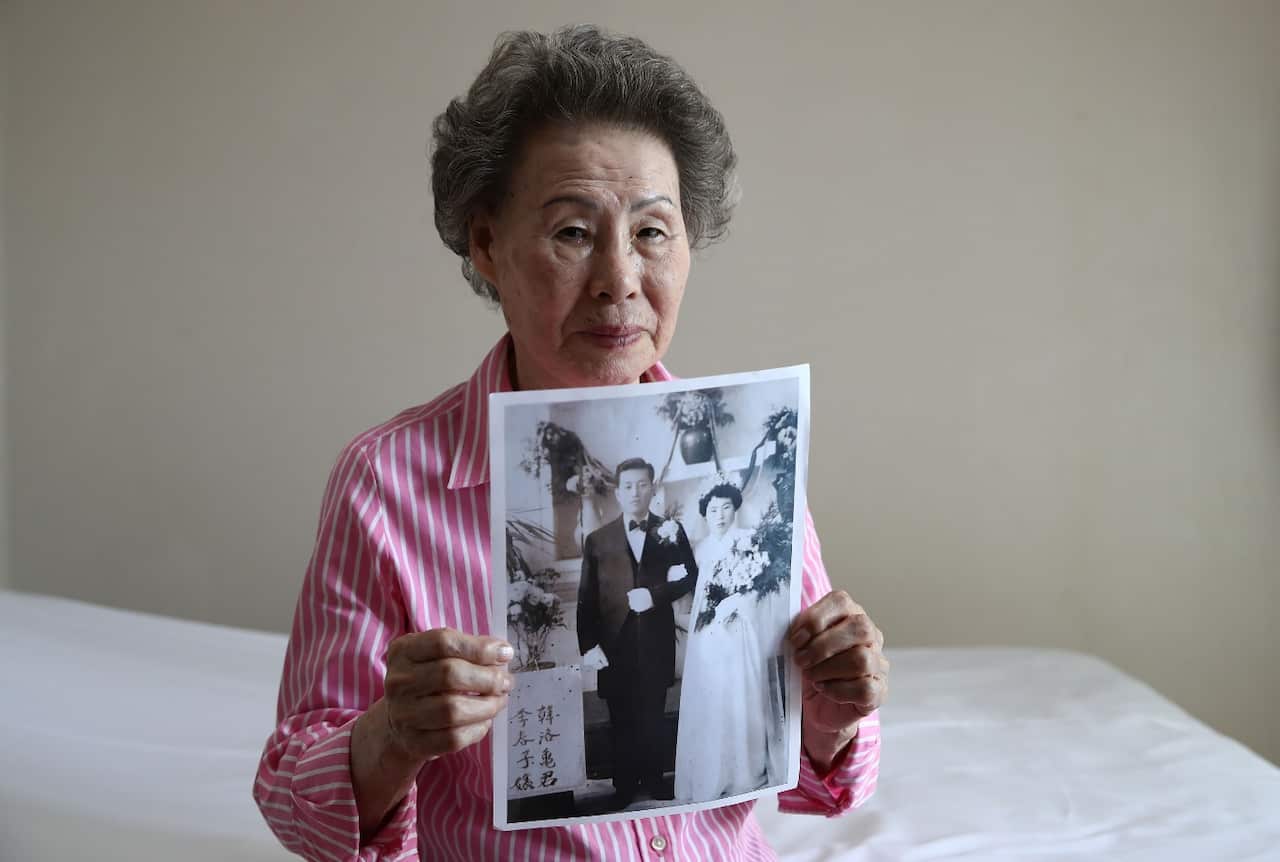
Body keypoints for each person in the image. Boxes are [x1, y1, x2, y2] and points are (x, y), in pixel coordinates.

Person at [254, 24, 889, 862]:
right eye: (574, 233)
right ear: (487, 245)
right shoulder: (386, 480)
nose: (619, 279)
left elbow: (815, 772)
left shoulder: (742, 458)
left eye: (653, 232)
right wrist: (390, 738)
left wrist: (834, 711)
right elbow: (293, 795)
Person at [576, 458, 698, 810]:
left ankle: (656, 779)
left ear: (652, 488)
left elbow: (690, 575)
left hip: (656, 640)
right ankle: (624, 783)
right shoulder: (597, 540)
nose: (635, 492)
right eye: (628, 486)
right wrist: (588, 645)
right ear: (617, 492)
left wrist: (655, 596)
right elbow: (586, 599)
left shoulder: (670, 530)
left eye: (642, 485)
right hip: (614, 644)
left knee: (653, 713)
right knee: (621, 715)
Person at [675, 478, 781, 802]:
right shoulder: (700, 549)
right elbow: (697, 597)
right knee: (712, 698)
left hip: (739, 632)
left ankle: (743, 773)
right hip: (709, 635)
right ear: (704, 514)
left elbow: (759, 589)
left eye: (725, 508)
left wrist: (737, 604)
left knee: (739, 695)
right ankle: (713, 771)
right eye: (712, 509)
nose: (719, 515)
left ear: (735, 508)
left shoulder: (748, 541)